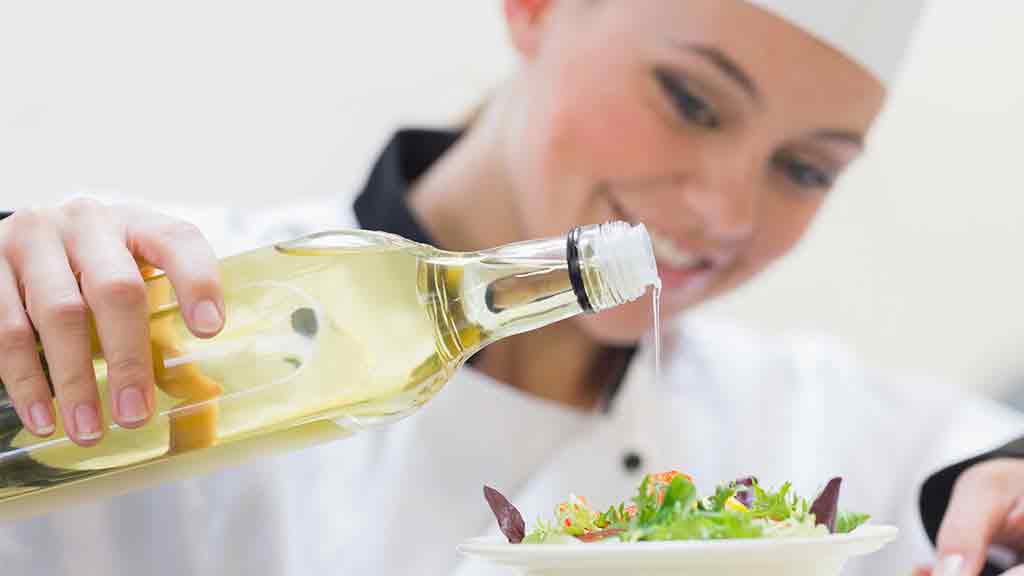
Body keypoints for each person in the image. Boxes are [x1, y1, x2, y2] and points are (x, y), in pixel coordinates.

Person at [1, 1, 1022, 574]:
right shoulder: (168, 322)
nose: (723, 210)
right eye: (689, 101)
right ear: (534, 8)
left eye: (804, 169)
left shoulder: (838, 438)